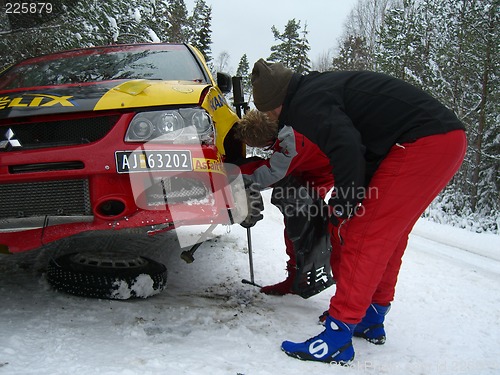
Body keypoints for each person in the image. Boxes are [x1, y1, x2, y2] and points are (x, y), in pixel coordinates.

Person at [250, 59, 467, 365]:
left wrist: (345, 203)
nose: (274, 117)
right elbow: (360, 143)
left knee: (362, 235)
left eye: (270, 111)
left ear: (277, 103)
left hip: (424, 141)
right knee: (389, 234)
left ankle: (337, 337)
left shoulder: (306, 103)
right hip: (443, 139)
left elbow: (346, 146)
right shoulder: (318, 89)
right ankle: (372, 316)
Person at [235, 109, 335, 296]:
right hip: (305, 166)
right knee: (296, 220)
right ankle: (296, 274)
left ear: (267, 141)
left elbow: (271, 174)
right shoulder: (282, 119)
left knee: (300, 223)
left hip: (320, 173)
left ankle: (304, 274)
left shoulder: (292, 142)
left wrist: (234, 174)